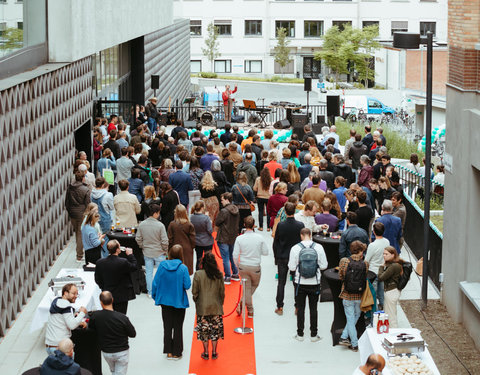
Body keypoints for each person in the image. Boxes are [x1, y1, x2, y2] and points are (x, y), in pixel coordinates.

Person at [152, 244, 191, 360]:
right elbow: (187, 285)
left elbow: (155, 282)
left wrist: (155, 296)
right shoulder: (183, 268)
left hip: (165, 301)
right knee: (178, 327)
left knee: (167, 326)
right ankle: (177, 352)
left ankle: (168, 351)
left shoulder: (162, 266)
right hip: (179, 301)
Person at [288, 228, 328, 342]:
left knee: (300, 308)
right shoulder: (318, 247)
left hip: (300, 282)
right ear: (310, 235)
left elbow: (291, 267)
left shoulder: (295, 248)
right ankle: (314, 335)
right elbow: (324, 266)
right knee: (313, 308)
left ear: (301, 235)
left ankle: (300, 334)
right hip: (315, 282)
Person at [88, 291, 136, 375]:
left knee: (114, 371)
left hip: (107, 352)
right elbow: (133, 334)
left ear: (101, 302)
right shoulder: (122, 318)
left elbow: (91, 329)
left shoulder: (95, 316)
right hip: (122, 352)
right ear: (112, 300)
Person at [233, 216, 269, 318]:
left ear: (244, 225)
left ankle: (242, 302)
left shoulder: (239, 238)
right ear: (254, 226)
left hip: (243, 266)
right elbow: (266, 252)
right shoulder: (259, 238)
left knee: (247, 288)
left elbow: (235, 255)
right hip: (255, 267)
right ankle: (250, 309)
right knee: (254, 285)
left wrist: (237, 266)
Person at [192, 252, 225, 361]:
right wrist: (221, 303)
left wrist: (197, 301)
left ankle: (206, 352)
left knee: (204, 331)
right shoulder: (219, 275)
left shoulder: (198, 274)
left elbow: (195, 292)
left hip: (203, 307)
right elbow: (222, 292)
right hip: (216, 307)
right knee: (215, 331)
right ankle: (214, 352)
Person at [273, 202, 305, 315]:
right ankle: (297, 307)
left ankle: (280, 306)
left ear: (285, 212)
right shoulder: (300, 225)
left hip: (282, 256)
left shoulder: (281, 225)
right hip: (296, 257)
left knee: (281, 283)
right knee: (296, 283)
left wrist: (276, 257)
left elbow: (276, 242)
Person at [338, 241, 369, 351]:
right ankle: (344, 337)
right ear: (360, 251)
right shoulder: (365, 263)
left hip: (347, 295)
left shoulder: (344, 261)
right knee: (355, 316)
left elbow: (341, 276)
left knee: (350, 318)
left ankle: (353, 343)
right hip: (359, 295)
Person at [95, 240, 137, 314]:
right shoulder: (123, 262)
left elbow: (97, 279)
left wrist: (104, 288)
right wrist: (130, 255)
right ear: (117, 249)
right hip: (121, 295)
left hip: (107, 294)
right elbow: (134, 267)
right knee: (120, 316)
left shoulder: (100, 262)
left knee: (108, 315)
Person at [136, 204, 169, 296]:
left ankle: (150, 292)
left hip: (147, 252)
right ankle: (159, 291)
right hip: (159, 252)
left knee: (149, 273)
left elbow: (138, 238)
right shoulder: (160, 225)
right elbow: (164, 240)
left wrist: (143, 246)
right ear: (155, 213)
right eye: (158, 213)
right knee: (160, 273)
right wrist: (165, 250)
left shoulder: (142, 224)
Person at [45, 284, 87, 355]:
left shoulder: (56, 301)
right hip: (61, 348)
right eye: (73, 293)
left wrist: (79, 321)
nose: (76, 296)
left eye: (77, 294)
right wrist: (82, 313)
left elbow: (63, 319)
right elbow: (72, 326)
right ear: (65, 293)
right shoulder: (66, 307)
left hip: (49, 346)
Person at [215, 192, 240, 284]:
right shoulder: (236, 209)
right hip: (233, 236)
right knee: (231, 256)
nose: (221, 202)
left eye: (222, 200)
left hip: (224, 237)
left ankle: (227, 276)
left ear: (226, 199)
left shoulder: (224, 211)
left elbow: (217, 222)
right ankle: (235, 273)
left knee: (225, 257)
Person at [65, 172, 91, 261]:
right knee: (80, 234)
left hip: (72, 212)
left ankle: (79, 253)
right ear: (83, 178)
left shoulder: (70, 187)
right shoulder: (85, 189)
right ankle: (79, 255)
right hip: (81, 213)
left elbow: (67, 201)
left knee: (77, 232)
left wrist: (69, 210)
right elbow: (88, 203)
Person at [378, 246, 404, 328]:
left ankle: (394, 332)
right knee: (389, 313)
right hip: (392, 291)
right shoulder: (395, 264)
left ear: (393, 255)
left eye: (386, 254)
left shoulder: (393, 266)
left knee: (391, 315)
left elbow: (381, 277)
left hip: (391, 291)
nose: (384, 256)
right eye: (383, 254)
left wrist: (381, 267)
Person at [365, 222, 389, 309]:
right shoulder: (387, 242)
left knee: (373, 293)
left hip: (373, 271)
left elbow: (367, 260)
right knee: (381, 291)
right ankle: (383, 306)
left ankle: (373, 310)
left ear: (374, 232)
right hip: (383, 270)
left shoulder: (372, 245)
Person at [167, 204, 196, 275]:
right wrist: (191, 247)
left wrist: (169, 250)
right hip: (187, 249)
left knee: (176, 271)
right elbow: (193, 239)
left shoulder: (172, 224)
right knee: (186, 271)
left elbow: (170, 239)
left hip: (175, 249)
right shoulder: (189, 224)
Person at [190, 200, 214, 271]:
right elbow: (210, 231)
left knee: (198, 259)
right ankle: (208, 273)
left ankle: (198, 273)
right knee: (208, 259)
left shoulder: (192, 217)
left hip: (197, 241)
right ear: (202, 208)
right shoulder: (206, 218)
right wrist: (210, 222)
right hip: (207, 242)